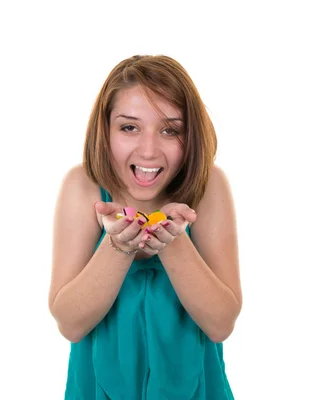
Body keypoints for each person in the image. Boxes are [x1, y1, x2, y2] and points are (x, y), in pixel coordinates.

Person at [48, 54, 242, 399]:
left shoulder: (208, 187)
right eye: (129, 127)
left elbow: (220, 323)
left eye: (170, 130)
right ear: (104, 130)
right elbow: (71, 324)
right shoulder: (84, 187)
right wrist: (118, 247)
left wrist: (174, 243)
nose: (149, 149)